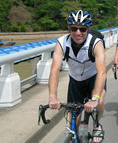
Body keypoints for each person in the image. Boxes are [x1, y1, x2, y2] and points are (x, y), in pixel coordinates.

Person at [48, 10, 106, 143]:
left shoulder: (96, 43)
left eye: (82, 29)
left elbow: (102, 72)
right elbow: (54, 70)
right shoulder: (62, 42)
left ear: (88, 29)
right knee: (74, 121)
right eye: (74, 28)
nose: (78, 33)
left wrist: (95, 98)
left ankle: (97, 124)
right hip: (75, 80)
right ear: (69, 28)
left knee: (100, 101)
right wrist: (52, 96)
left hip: (94, 78)